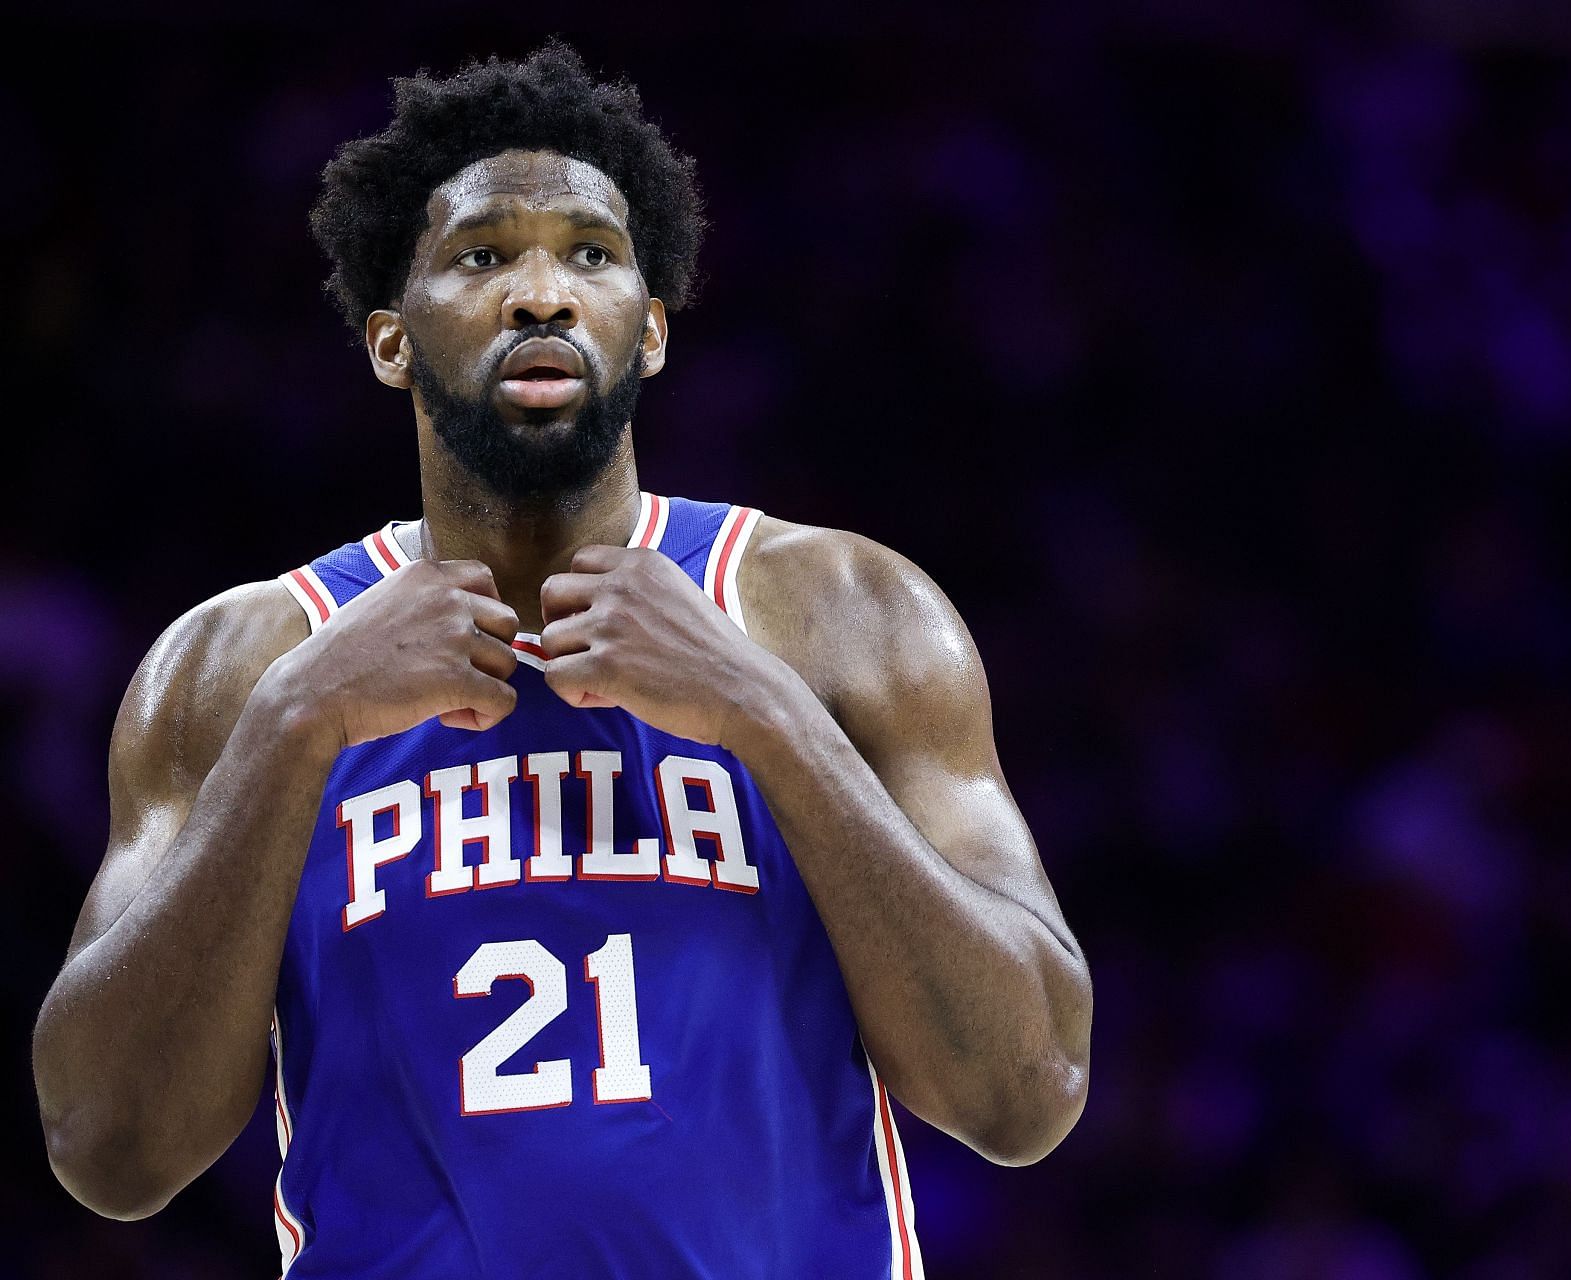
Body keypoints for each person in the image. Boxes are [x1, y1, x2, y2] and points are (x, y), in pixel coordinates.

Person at [32, 39, 1091, 1278]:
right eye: (483, 256)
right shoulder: (238, 666)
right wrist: (293, 721)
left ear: (646, 330)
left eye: (590, 254)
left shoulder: (844, 613)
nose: (542, 293)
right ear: (390, 340)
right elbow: (107, 1150)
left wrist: (768, 713)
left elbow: (1028, 1091)